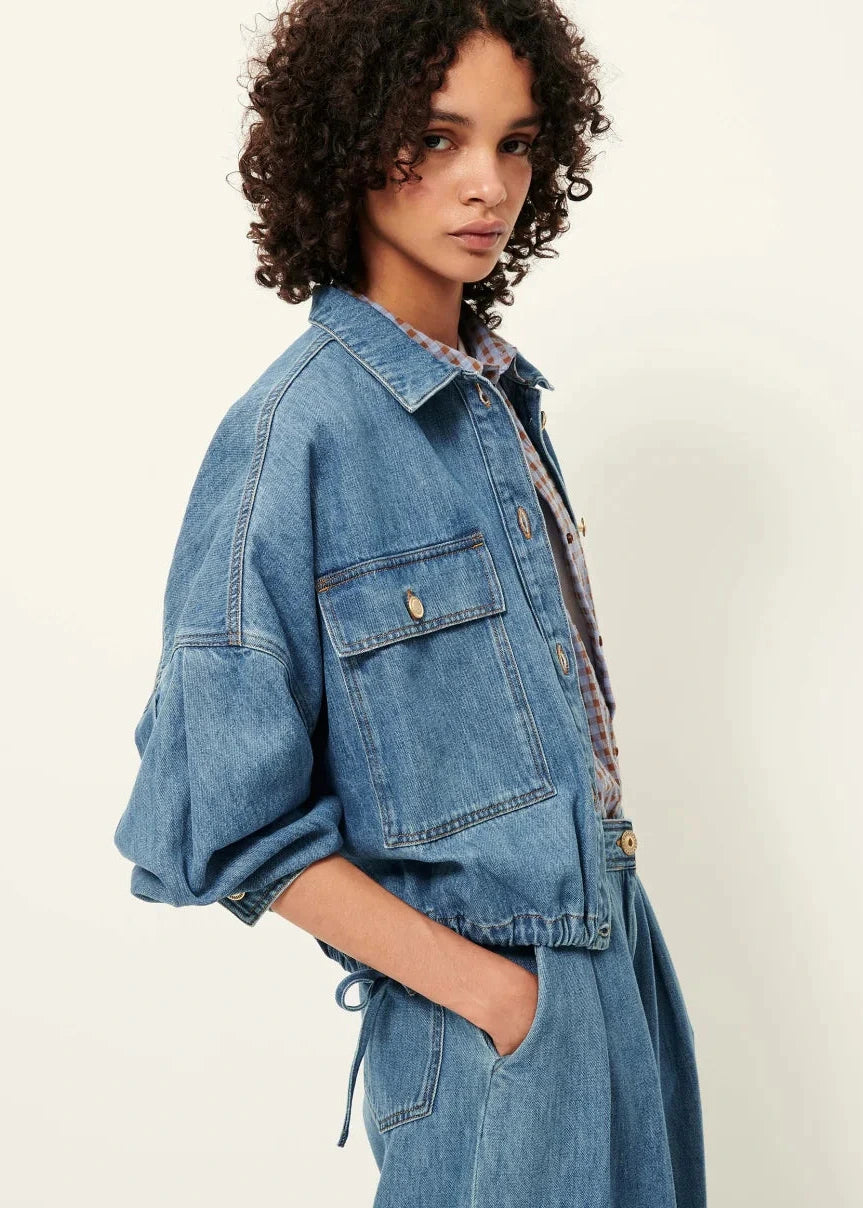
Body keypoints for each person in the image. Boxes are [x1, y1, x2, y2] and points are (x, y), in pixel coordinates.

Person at [113, 2, 707, 1204]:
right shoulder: (294, 437)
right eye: (435, 140)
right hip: (492, 1031)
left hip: (621, 983)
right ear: (345, 146)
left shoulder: (499, 406)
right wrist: (497, 997)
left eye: (515, 142)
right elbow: (215, 818)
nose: (487, 185)